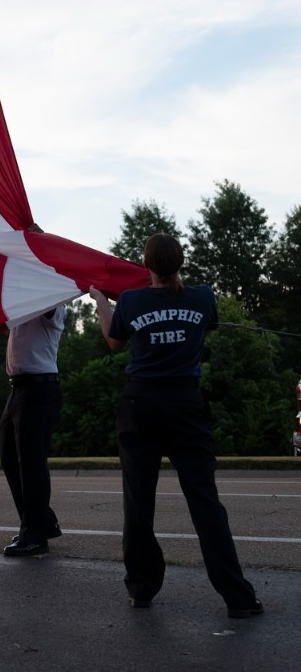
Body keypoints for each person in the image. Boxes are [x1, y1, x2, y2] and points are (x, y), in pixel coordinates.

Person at [89, 233, 262, 618]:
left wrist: (102, 304)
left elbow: (114, 343)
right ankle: (238, 597)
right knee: (205, 501)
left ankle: (141, 588)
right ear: (180, 262)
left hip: (140, 406)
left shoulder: (131, 301)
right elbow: (207, 328)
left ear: (146, 265)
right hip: (186, 404)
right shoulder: (203, 297)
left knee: (139, 500)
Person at [0, 304, 66, 557]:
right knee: (9, 457)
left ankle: (35, 536)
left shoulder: (52, 304)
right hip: (18, 388)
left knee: (31, 462)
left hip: (39, 388)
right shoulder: (22, 305)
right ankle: (43, 522)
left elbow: (48, 304)